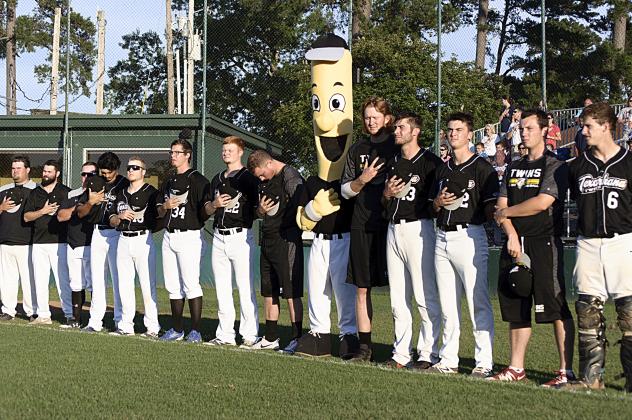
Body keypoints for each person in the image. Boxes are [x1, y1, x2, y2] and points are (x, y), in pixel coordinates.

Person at [490, 109, 575, 386]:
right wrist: (511, 234)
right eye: (521, 128)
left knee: (555, 306)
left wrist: (508, 214)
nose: (523, 133)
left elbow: (541, 203)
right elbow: (499, 207)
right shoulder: (513, 167)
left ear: (543, 130)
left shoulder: (555, 166)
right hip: (515, 244)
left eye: (528, 128)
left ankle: (565, 370)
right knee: (516, 306)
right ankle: (516, 368)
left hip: (544, 243)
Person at [293, 33, 358, 358]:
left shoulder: (352, 174)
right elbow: (300, 220)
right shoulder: (310, 180)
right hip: (319, 241)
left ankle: (348, 335)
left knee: (344, 292)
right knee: (317, 289)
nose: (324, 117)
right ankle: (318, 334)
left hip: (344, 239)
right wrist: (313, 212)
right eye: (317, 104)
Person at [564, 102, 632, 391]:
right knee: (588, 311)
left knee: (629, 313)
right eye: (582, 125)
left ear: (607, 127)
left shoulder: (629, 162)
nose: (583, 131)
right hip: (588, 243)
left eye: (589, 125)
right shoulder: (578, 166)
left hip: (624, 242)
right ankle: (591, 379)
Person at [428, 112, 498, 377]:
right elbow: (432, 206)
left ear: (470, 134)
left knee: (476, 301)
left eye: (459, 129)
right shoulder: (443, 170)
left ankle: (484, 361)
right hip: (442, 236)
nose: (453, 133)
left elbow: (491, 206)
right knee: (448, 304)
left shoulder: (482, 168)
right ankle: (448, 359)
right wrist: (436, 203)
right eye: (450, 129)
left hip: (470, 236)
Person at [341, 96, 399, 361]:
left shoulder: (396, 147)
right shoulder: (357, 149)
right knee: (362, 288)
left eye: (375, 116)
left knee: (401, 289)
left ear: (387, 118)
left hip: (392, 226)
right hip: (361, 224)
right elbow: (345, 190)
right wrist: (362, 180)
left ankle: (403, 351)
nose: (370, 121)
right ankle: (364, 348)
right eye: (366, 117)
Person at [382, 112, 442, 370]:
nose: (396, 131)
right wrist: (386, 193)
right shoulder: (394, 161)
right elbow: (384, 201)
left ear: (415, 131)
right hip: (393, 229)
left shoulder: (430, 162)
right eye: (396, 127)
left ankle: (429, 353)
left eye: (401, 127)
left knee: (423, 294)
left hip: (419, 229)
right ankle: (401, 353)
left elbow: (434, 205)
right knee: (398, 297)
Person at [204, 136, 260, 348]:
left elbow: (258, 209)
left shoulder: (248, 178)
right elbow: (207, 209)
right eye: (224, 149)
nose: (226, 152)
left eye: (230, 149)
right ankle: (225, 333)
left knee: (245, 287)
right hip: (219, 236)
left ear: (240, 153)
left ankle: (249, 334)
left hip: (241, 235)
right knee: (222, 288)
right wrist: (214, 204)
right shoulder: (217, 178)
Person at [247, 150, 304, 352]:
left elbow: (301, 201)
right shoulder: (262, 182)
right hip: (268, 239)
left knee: (290, 292)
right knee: (269, 290)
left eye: (262, 174)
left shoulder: (290, 175)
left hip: (287, 239)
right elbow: (256, 211)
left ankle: (298, 338)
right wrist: (260, 211)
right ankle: (270, 337)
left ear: (269, 163)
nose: (261, 179)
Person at [157, 133, 210, 343]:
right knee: (172, 284)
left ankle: (195, 330)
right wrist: (165, 206)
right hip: (169, 235)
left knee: (191, 283)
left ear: (187, 155)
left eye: (177, 153)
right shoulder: (169, 180)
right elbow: (159, 211)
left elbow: (205, 210)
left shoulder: (197, 179)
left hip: (189, 236)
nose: (173, 156)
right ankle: (177, 329)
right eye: (171, 152)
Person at [108, 157, 161, 338]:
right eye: (129, 167)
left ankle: (152, 327)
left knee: (147, 285)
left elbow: (160, 216)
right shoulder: (120, 193)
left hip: (142, 239)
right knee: (124, 285)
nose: (131, 170)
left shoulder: (151, 192)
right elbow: (111, 219)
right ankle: (125, 325)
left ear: (143, 172)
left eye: (135, 168)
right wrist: (119, 217)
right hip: (123, 239)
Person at [77, 152, 129, 333]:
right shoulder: (94, 182)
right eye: (103, 172)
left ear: (117, 169)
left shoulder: (124, 183)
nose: (106, 176)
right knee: (97, 279)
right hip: (98, 232)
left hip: (117, 233)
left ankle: (119, 320)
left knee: (118, 278)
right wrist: (91, 202)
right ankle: (95, 321)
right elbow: (81, 212)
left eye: (109, 172)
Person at [23, 160, 72, 325]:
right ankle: (44, 315)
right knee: (40, 280)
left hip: (60, 243)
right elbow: (26, 216)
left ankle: (69, 314)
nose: (45, 174)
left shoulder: (66, 192)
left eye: (49, 172)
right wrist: (42, 211)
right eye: (44, 171)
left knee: (63, 280)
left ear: (57, 174)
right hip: (38, 243)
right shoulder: (35, 193)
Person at [57, 161, 98, 328]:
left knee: (94, 284)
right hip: (73, 245)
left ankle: (96, 319)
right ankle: (76, 318)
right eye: (84, 174)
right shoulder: (73, 195)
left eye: (90, 174)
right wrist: (78, 208)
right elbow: (61, 216)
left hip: (93, 244)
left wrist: (87, 205)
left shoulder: (100, 195)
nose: (86, 177)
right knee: (75, 283)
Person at [0, 155, 37, 321]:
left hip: (26, 242)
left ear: (27, 170)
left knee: (29, 280)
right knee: (7, 280)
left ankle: (31, 311)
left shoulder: (36, 190)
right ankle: (8, 310)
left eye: (19, 168)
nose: (15, 171)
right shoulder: (3, 189)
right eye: (13, 168)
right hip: (5, 241)